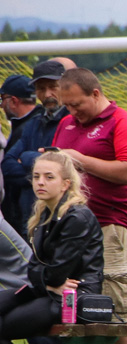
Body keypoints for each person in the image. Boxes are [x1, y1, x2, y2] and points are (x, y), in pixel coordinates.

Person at [53, 67, 127, 344]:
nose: (71, 111)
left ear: (95, 94)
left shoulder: (122, 122)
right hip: (72, 229)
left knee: (119, 307)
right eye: (66, 105)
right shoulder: (65, 125)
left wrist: (82, 160)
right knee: (88, 307)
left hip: (111, 227)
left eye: (76, 104)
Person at [0, 151, 103, 344]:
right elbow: (34, 268)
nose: (40, 183)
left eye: (49, 177)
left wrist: (47, 279)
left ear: (66, 183)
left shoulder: (76, 217)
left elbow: (58, 272)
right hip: (47, 292)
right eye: (36, 177)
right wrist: (48, 281)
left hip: (72, 298)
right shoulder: (44, 214)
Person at [1, 59, 74, 238]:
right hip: (31, 218)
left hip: (63, 219)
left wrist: (26, 158)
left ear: (64, 86)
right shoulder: (33, 123)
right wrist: (44, 174)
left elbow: (65, 164)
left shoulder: (74, 121)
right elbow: (7, 165)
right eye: (41, 88)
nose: (47, 94)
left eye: (53, 87)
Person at [1, 74, 40, 232]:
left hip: (27, 213)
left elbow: (8, 169)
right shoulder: (21, 124)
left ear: (14, 100)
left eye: (2, 99)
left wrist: (26, 164)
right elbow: (8, 165)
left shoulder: (35, 125)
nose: (2, 105)